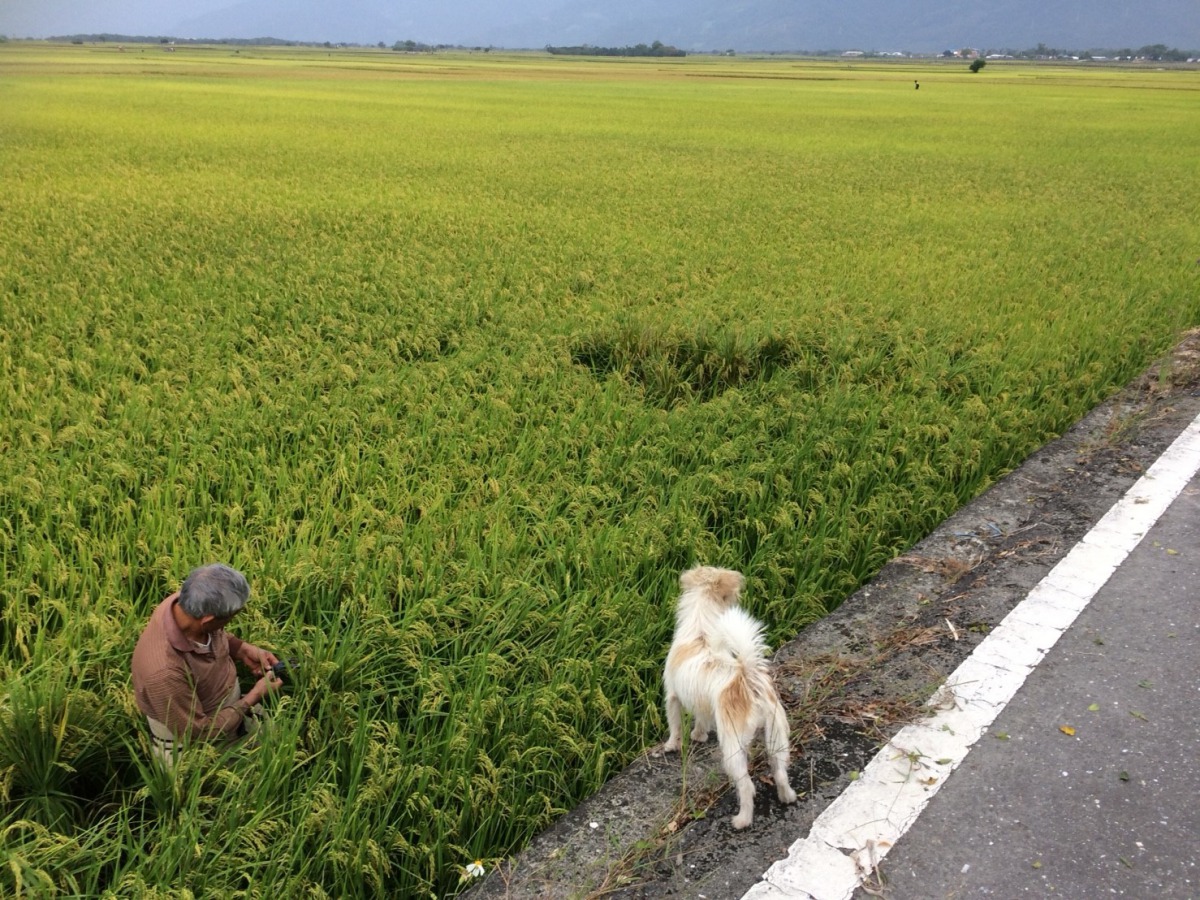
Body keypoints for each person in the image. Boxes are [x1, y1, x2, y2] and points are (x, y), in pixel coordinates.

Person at [131, 563, 282, 766]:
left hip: (231, 714)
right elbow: (199, 732)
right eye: (231, 617)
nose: (230, 622)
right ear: (208, 620)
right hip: (197, 748)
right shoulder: (164, 672)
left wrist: (241, 648)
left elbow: (215, 635)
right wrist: (254, 696)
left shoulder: (185, 605)